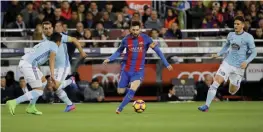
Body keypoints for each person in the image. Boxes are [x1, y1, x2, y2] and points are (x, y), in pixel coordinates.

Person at [103, 21, 173, 114]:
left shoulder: (146, 38)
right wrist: (110, 58)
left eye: (137, 29)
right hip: (126, 69)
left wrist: (166, 63)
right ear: (130, 30)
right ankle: (129, 96)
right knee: (120, 91)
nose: (135, 31)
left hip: (138, 70)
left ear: (140, 29)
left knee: (133, 88)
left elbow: (158, 51)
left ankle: (120, 108)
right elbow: (118, 52)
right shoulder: (125, 40)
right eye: (133, 30)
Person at [198, 16, 257, 112]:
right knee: (216, 82)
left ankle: (236, 83)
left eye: (238, 24)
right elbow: (226, 46)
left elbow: (254, 53)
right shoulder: (231, 35)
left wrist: (246, 61)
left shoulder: (248, 37)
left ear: (243, 25)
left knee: (232, 91)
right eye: (235, 24)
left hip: (239, 67)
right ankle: (206, 106)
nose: (235, 25)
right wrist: (218, 54)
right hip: (227, 63)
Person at [6, 32, 62, 115]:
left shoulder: (44, 43)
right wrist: (52, 76)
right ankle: (14, 102)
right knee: (39, 91)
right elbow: (52, 60)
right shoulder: (54, 46)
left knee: (43, 81)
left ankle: (31, 107)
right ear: (58, 41)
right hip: (29, 65)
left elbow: (36, 56)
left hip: (27, 63)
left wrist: (38, 72)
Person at [42, 21, 87, 112]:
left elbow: (74, 39)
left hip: (64, 66)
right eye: (45, 29)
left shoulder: (59, 36)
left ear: (52, 28)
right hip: (55, 67)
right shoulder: (44, 42)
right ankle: (70, 105)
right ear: (43, 30)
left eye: (49, 28)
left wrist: (82, 52)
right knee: (56, 88)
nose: (48, 30)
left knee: (55, 85)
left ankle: (71, 81)